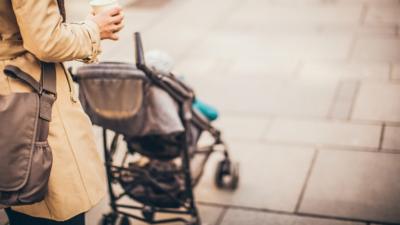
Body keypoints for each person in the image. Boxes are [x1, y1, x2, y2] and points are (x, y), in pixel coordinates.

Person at [0, 0, 124, 224]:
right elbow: (47, 41)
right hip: (28, 102)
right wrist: (94, 29)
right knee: (54, 205)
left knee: (17, 199)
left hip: (12, 102)